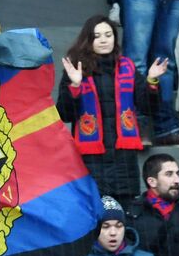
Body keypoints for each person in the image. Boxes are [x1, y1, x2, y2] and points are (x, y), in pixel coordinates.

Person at [57, 17, 159, 199]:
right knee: (95, 208)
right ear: (88, 40)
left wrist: (151, 80)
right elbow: (65, 114)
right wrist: (75, 85)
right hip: (91, 159)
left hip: (124, 159)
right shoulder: (76, 69)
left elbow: (148, 107)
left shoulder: (128, 67)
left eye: (108, 35)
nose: (104, 40)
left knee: (125, 208)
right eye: (97, 36)